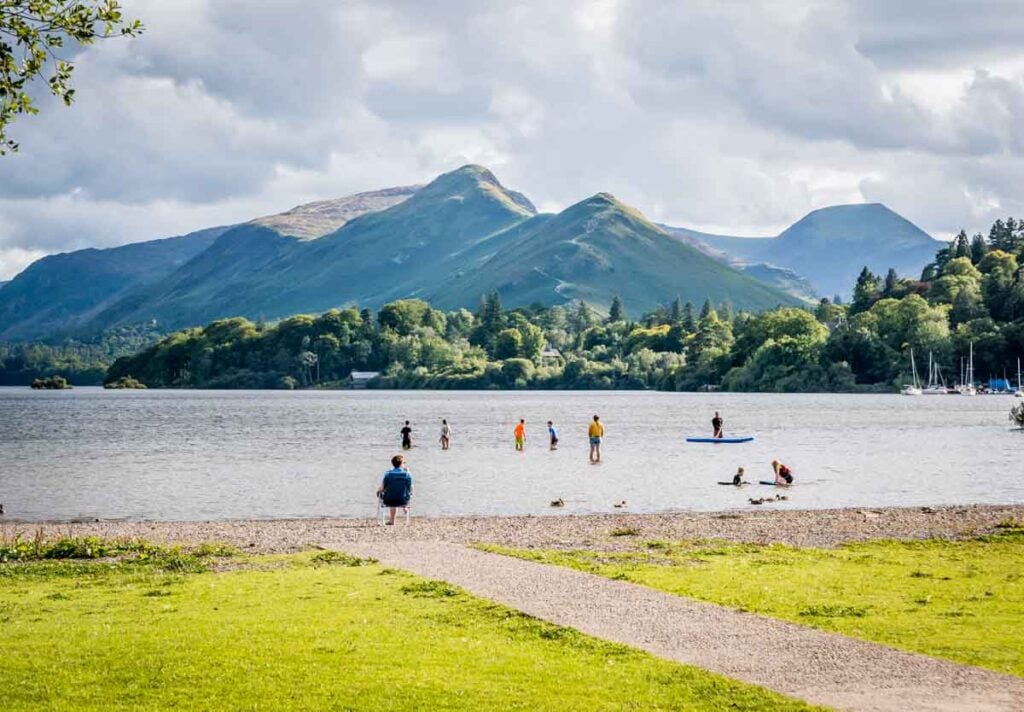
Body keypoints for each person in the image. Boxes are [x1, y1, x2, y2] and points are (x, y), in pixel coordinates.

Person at [377, 454, 413, 525]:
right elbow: (410, 488)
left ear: (393, 464)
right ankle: (404, 507)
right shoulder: (407, 474)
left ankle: (392, 521)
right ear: (401, 464)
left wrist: (378, 491)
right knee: (400, 492)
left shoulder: (388, 474)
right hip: (403, 500)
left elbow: (382, 488)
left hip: (389, 501)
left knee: (391, 493)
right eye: (404, 463)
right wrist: (409, 472)